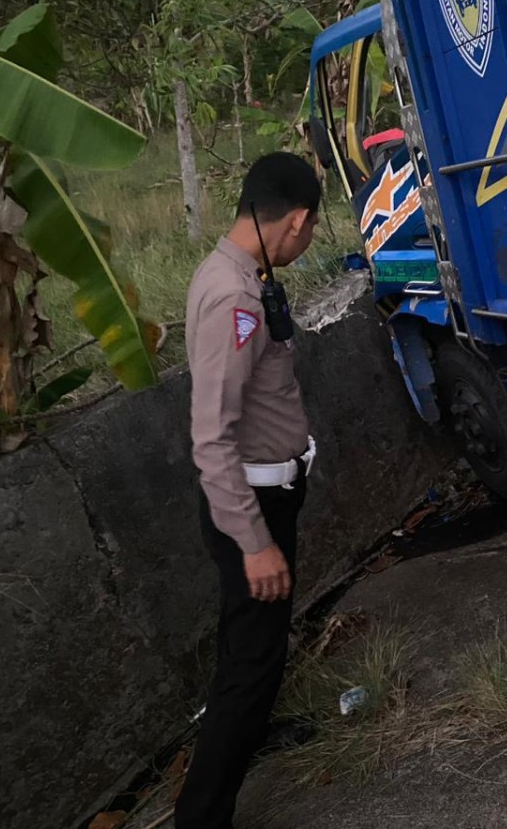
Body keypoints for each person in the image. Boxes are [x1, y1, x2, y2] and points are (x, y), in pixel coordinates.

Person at [176, 152, 321, 829]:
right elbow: (212, 437)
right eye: (312, 230)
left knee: (253, 649)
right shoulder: (233, 296)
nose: (309, 241)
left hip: (268, 497)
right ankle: (201, 817)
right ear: (296, 221)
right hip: (250, 511)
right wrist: (255, 543)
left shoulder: (244, 274)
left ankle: (253, 732)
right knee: (251, 663)